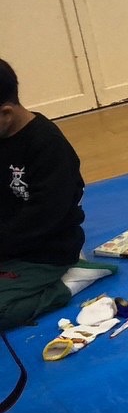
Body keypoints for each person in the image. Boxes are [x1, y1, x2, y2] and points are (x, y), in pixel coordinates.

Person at [0, 58, 113, 330]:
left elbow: (44, 218)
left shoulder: (48, 146)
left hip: (46, 250)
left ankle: (70, 282)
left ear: (6, 113)